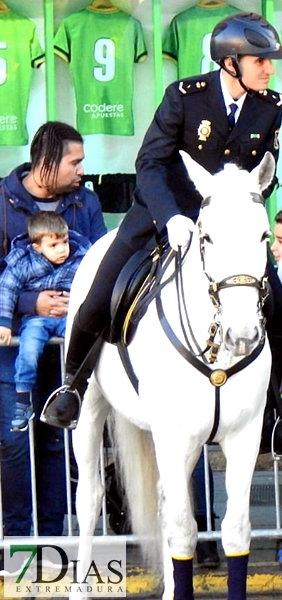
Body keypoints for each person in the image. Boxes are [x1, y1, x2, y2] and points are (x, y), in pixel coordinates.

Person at [40, 12, 282, 459]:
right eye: (260, 60)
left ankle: (272, 416)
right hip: (162, 214)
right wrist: (171, 218)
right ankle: (72, 387)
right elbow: (149, 163)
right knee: (104, 289)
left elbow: (260, 176)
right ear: (230, 63)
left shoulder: (271, 104)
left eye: (270, 61)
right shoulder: (185, 97)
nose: (269, 68)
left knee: (279, 310)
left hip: (224, 229)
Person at [0, 121, 106, 537]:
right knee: (12, 442)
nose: (81, 170)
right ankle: (18, 540)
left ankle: (51, 537)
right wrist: (31, 303)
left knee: (55, 441)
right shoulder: (3, 202)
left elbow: (101, 263)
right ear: (47, 162)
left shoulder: (86, 202)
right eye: (74, 162)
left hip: (68, 349)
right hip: (14, 350)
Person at [0, 212, 89, 432]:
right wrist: (4, 322)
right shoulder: (23, 263)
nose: (62, 249)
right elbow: (7, 289)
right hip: (36, 320)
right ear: (38, 247)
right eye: (54, 245)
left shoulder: (80, 257)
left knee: (79, 347)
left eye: (65, 242)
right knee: (28, 352)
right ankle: (22, 400)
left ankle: (76, 393)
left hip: (68, 317)